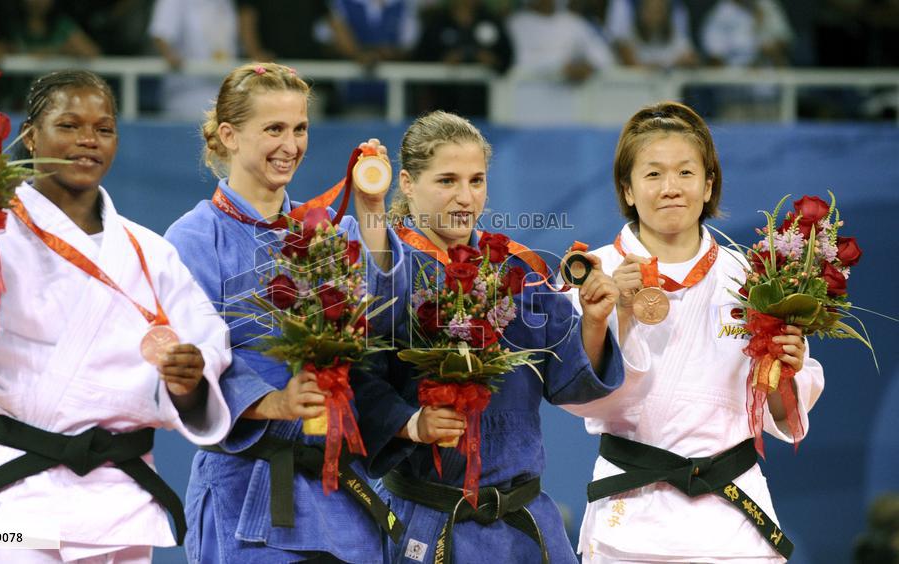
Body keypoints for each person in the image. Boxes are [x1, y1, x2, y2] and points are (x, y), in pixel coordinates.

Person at [0, 69, 232, 563]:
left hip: (121, 503)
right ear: (32, 135)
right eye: (70, 125)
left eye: (104, 128)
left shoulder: (149, 253)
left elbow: (206, 350)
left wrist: (189, 381)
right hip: (19, 502)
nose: (88, 141)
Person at [351, 110, 625, 564]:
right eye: (447, 181)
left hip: (524, 527)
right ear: (406, 182)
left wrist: (594, 321)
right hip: (427, 520)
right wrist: (411, 422)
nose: (465, 197)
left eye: (476, 180)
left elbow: (569, 383)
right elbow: (358, 379)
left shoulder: (517, 269)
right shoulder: (387, 272)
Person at [164, 61, 406, 564]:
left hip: (342, 496)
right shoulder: (193, 238)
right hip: (248, 495)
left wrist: (372, 211)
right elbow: (192, 362)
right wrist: (272, 403)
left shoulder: (329, 233)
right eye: (273, 128)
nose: (291, 145)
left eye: (300, 129)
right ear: (228, 135)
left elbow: (385, 322)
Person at [562, 101, 825, 563]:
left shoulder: (755, 279)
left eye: (686, 173)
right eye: (653, 174)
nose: (671, 189)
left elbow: (781, 410)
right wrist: (609, 317)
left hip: (733, 523)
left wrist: (788, 367)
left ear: (708, 186)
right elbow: (577, 391)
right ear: (627, 189)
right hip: (631, 518)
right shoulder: (592, 275)